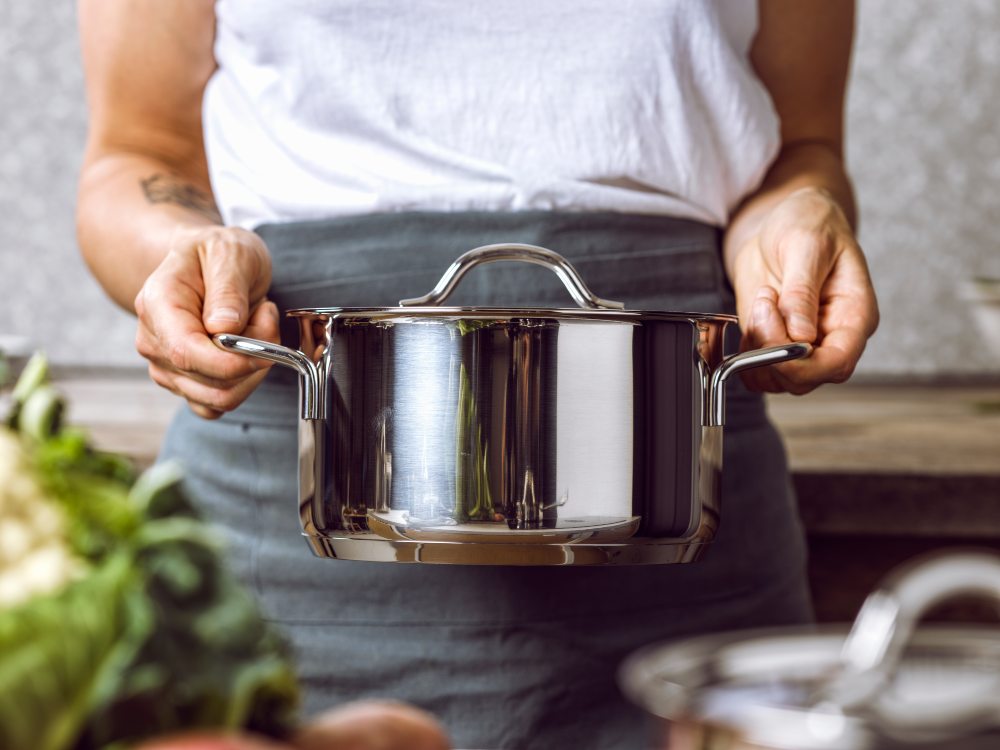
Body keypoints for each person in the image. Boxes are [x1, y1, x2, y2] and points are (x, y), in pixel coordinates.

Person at [76, 1, 879, 748]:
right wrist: (183, 258)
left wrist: (792, 218)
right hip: (286, 510)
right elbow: (136, 156)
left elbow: (802, 147)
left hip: (672, 499)